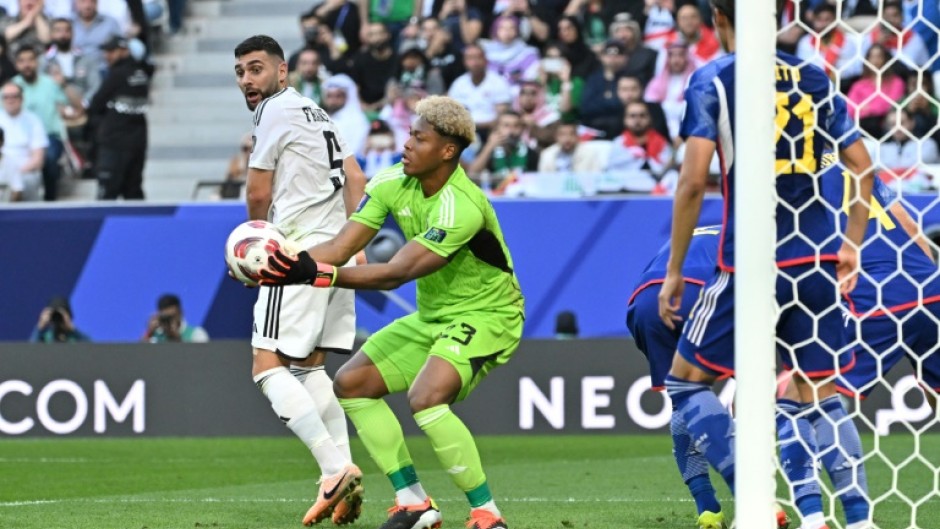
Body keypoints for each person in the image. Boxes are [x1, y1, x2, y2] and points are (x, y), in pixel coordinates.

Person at [259, 95, 523, 529]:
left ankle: (486, 514)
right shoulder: (390, 181)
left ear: (447, 151)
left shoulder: (462, 206)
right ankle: (415, 502)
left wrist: (315, 274)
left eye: (419, 138)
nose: (407, 144)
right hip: (434, 316)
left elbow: (395, 274)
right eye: (410, 134)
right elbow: (342, 247)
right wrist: (282, 261)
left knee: (426, 398)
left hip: (489, 315)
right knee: (353, 384)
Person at [657, 2, 875, 529]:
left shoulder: (716, 77)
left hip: (750, 261)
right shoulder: (812, 75)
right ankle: (857, 519)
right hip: (818, 251)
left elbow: (690, 182)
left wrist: (674, 270)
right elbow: (862, 168)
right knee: (819, 392)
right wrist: (851, 243)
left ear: (717, 15)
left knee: (685, 384)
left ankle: (756, 499)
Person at [233, 34, 367, 526]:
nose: (248, 80)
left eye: (256, 69)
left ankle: (333, 470)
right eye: (241, 73)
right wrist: (355, 242)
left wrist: (254, 250)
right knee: (309, 368)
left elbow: (257, 191)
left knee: (267, 366)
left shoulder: (275, 111)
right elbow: (356, 179)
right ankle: (345, 470)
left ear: (282, 71)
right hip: (338, 251)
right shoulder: (317, 112)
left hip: (297, 251)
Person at [87, 35, 152, 200]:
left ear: (124, 51)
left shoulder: (118, 74)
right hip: (138, 139)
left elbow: (96, 104)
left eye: (111, 51)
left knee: (107, 192)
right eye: (106, 51)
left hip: (114, 141)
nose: (107, 56)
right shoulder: (141, 73)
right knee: (133, 190)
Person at [14, 45, 72, 201]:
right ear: (16, 64)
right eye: (22, 61)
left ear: (37, 62)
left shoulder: (50, 84)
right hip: (20, 140)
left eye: (30, 60)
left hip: (49, 137)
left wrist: (64, 85)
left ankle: (49, 200)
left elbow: (66, 108)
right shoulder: (11, 88)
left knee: (50, 158)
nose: (26, 65)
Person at [0, 80, 46, 201]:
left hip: (25, 171)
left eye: (14, 96)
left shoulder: (33, 121)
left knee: (27, 181)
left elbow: (38, 159)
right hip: (2, 169)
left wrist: (15, 173)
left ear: (22, 98)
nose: (10, 100)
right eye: (6, 97)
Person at [142, 293, 209, 343]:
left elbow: (202, 358)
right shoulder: (156, 337)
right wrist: (149, 332)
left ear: (181, 313)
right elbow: (141, 356)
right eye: (166, 318)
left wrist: (176, 338)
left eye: (172, 316)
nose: (170, 321)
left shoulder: (196, 334)